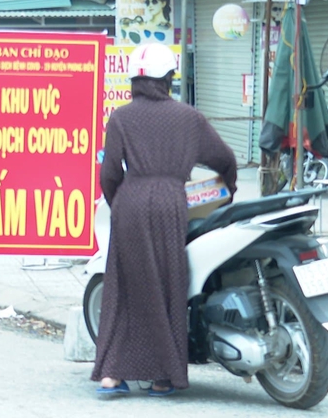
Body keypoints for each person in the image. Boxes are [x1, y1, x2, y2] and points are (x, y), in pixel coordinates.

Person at [92, 43, 237, 396]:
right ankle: (163, 377)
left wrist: (120, 203)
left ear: (135, 80)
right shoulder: (189, 118)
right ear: (169, 78)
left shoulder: (121, 117)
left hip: (130, 202)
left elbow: (109, 173)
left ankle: (112, 375)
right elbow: (225, 159)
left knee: (123, 289)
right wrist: (227, 192)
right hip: (172, 204)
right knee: (168, 287)